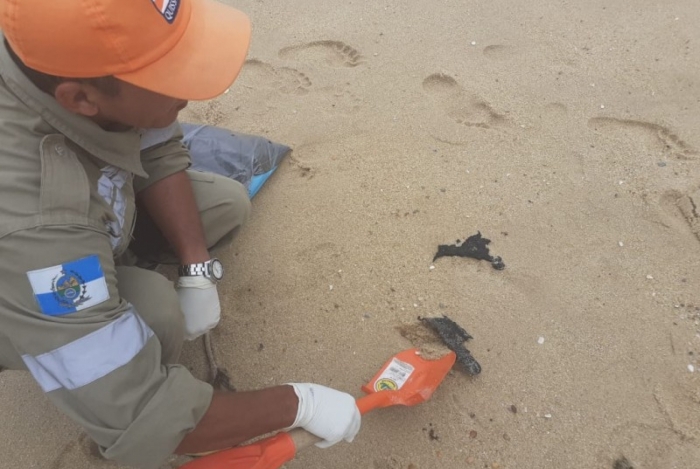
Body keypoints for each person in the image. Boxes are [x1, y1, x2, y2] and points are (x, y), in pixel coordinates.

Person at [0, 0, 361, 468]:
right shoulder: (39, 229)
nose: (189, 89)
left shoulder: (51, 48)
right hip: (23, 279)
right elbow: (147, 414)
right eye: (165, 77)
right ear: (81, 100)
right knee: (155, 307)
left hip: (86, 213)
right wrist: (301, 403)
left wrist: (196, 267)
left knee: (225, 203)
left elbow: (157, 141)